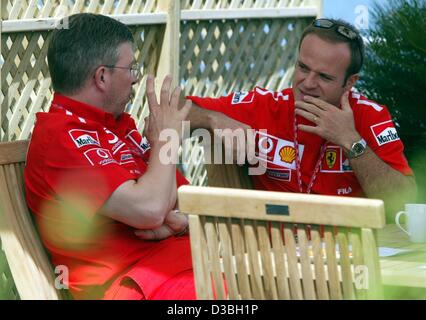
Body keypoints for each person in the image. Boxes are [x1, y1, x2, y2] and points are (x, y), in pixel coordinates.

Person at [24, 13, 195, 300]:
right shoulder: (59, 137)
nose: (136, 78)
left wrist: (173, 221)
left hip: (179, 264)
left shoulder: (116, 125)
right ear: (102, 76)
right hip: (136, 282)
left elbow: (186, 199)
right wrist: (167, 140)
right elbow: (151, 208)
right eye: (130, 68)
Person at [185, 18, 417, 220]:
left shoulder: (369, 115)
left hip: (349, 252)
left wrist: (351, 141)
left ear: (350, 82)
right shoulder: (265, 104)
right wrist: (213, 118)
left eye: (324, 77)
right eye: (303, 68)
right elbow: (170, 110)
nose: (307, 83)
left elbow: (403, 201)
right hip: (274, 252)